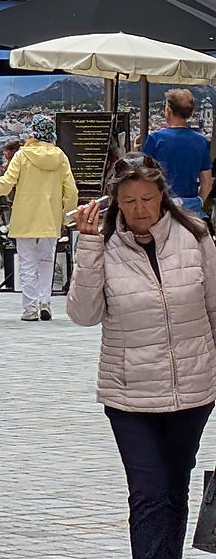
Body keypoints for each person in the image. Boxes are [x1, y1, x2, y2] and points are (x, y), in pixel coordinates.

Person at [67, 154, 216, 559]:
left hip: (192, 391)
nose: (140, 210)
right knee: (148, 492)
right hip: (130, 395)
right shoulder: (104, 244)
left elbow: (214, 307)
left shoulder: (195, 235)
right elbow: (83, 314)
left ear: (162, 195)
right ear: (115, 202)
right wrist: (89, 246)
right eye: (129, 201)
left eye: (147, 199)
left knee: (175, 488)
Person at [0, 114, 78, 321]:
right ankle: (45, 301)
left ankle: (30, 308)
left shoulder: (22, 155)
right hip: (50, 217)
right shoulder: (60, 157)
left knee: (27, 263)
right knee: (47, 260)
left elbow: (7, 182)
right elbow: (72, 191)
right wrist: (66, 216)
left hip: (25, 216)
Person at [143, 88, 211, 217]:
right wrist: (198, 202)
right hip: (190, 209)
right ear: (191, 113)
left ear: (168, 110)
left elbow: (144, 176)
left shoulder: (155, 138)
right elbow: (207, 182)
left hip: (162, 206)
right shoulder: (201, 141)